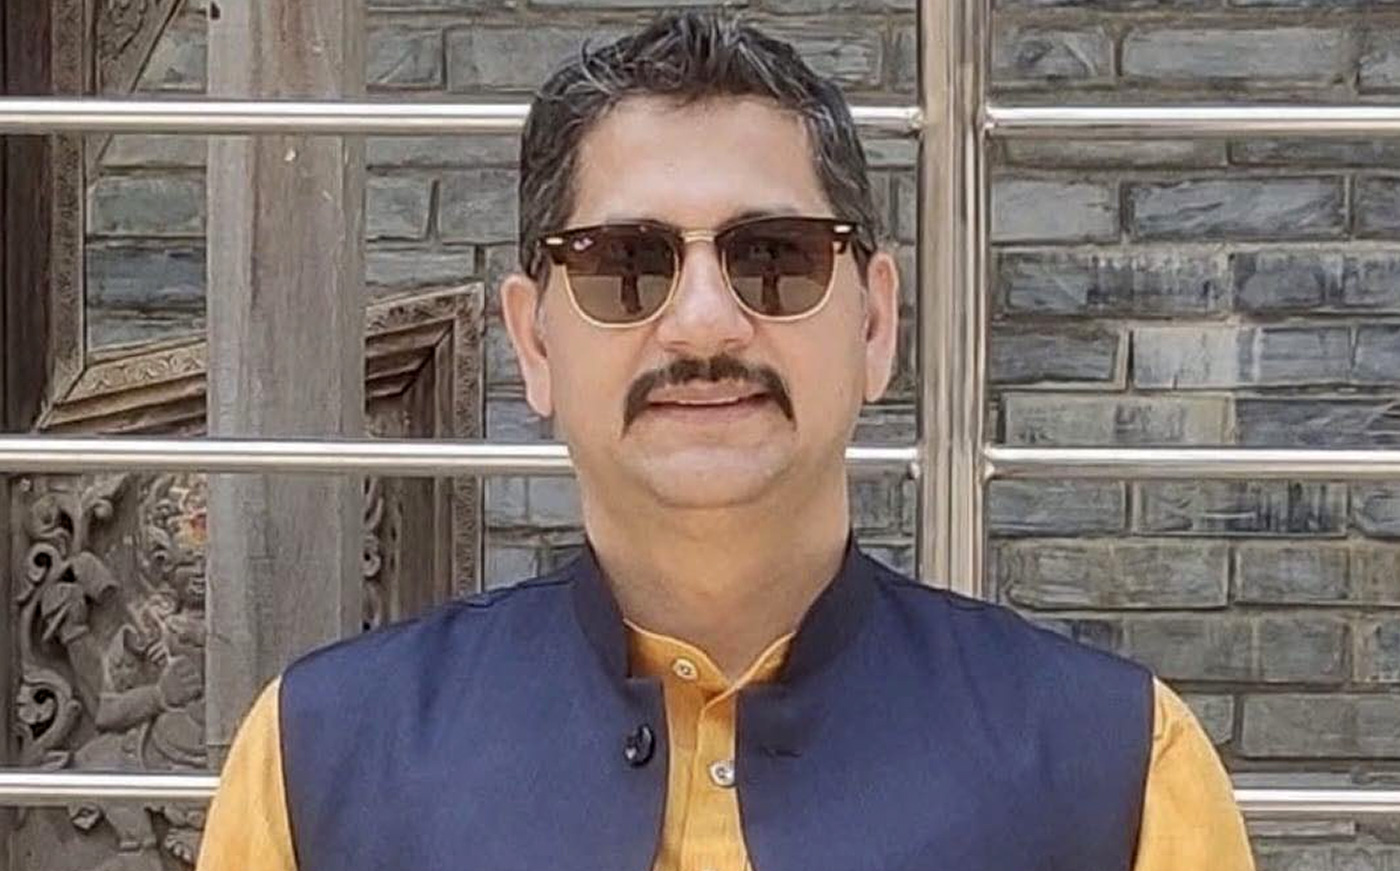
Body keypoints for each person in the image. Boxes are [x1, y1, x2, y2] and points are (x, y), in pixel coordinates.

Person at [196, 11, 1255, 871]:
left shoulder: (1116, 770)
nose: (703, 324)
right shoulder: (321, 762)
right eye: (625, 264)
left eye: (774, 257)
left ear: (875, 324)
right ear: (535, 342)